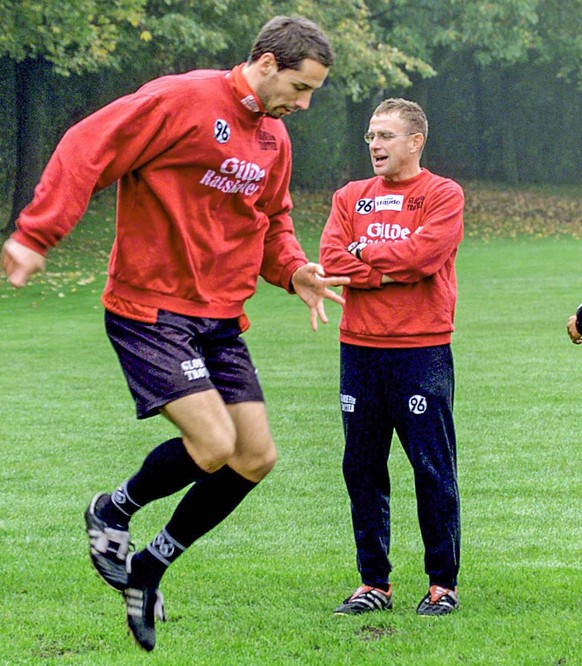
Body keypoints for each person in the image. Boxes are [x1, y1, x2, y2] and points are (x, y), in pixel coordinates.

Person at [1, 16, 349, 651]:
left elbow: (270, 219)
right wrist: (36, 234)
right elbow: (88, 146)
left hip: (217, 318)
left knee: (255, 456)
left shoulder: (273, 139)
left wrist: (293, 269)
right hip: (150, 308)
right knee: (214, 443)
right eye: (301, 87)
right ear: (267, 62)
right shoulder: (183, 99)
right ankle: (112, 510)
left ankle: (150, 566)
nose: (303, 104)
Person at [319, 98, 464, 617]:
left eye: (385, 136)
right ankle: (373, 583)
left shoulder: (442, 194)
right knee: (361, 467)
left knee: (431, 468)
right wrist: (384, 268)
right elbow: (332, 259)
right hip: (359, 349)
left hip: (420, 350)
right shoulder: (349, 197)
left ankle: (441, 585)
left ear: (415, 141)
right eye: (370, 137)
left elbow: (426, 257)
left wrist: (365, 259)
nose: (375, 146)